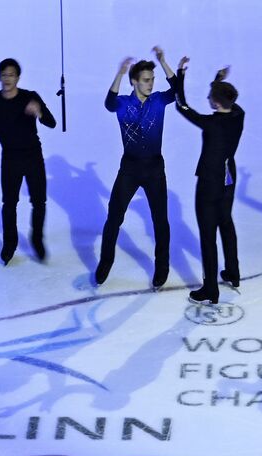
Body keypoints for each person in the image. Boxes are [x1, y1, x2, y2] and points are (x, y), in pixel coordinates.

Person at [96, 48, 178, 286]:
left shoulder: (159, 100)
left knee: (160, 220)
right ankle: (105, 263)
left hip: (154, 169)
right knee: (114, 217)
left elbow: (177, 91)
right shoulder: (122, 104)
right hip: (130, 169)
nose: (151, 84)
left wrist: (163, 61)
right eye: (145, 80)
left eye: (152, 80)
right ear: (134, 81)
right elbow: (109, 103)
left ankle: (161, 267)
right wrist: (119, 74)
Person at [170, 60, 244, 305]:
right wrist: (218, 80)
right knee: (226, 222)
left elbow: (182, 106)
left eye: (210, 96)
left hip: (210, 182)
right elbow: (226, 98)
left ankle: (210, 289)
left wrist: (179, 76)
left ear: (214, 102)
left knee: (207, 235)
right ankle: (233, 272)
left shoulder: (211, 123)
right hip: (228, 178)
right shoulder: (238, 114)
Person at [0, 58, 56, 265]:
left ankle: (37, 239)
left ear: (18, 77)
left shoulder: (29, 97)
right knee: (9, 203)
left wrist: (39, 111)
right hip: (10, 158)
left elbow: (51, 122)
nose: (7, 78)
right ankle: (9, 242)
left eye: (11, 75)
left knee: (39, 201)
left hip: (33, 155)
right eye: (4, 75)